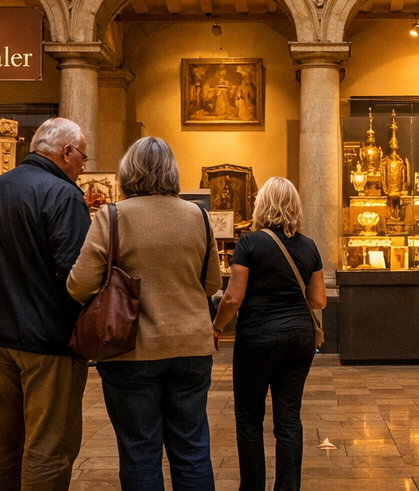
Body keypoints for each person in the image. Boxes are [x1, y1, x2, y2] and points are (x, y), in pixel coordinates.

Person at [69, 137, 222, 491]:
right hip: (191, 348)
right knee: (193, 448)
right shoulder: (197, 215)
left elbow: (79, 285)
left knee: (140, 452)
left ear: (128, 171)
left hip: (130, 350)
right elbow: (212, 281)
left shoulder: (112, 216)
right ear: (172, 171)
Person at [0, 117, 92, 491]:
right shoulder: (63, 194)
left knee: (2, 436)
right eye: (82, 157)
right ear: (66, 151)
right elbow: (76, 273)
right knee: (50, 442)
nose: (83, 166)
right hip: (47, 341)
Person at [212, 177, 326, 491]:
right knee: (289, 417)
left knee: (249, 419)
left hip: (257, 338)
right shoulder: (308, 246)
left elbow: (233, 297)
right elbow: (319, 300)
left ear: (262, 205)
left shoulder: (249, 243)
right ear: (295, 206)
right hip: (299, 338)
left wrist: (217, 326)